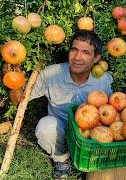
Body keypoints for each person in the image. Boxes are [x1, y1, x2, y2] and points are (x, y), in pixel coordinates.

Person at [30, 30, 113, 179]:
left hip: (88, 133)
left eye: (86, 53)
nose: (77, 57)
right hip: (60, 129)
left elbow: (111, 112)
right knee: (45, 127)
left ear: (96, 58)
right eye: (74, 50)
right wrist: (12, 80)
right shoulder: (50, 74)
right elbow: (21, 100)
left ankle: (90, 161)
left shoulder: (104, 80)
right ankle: (61, 160)